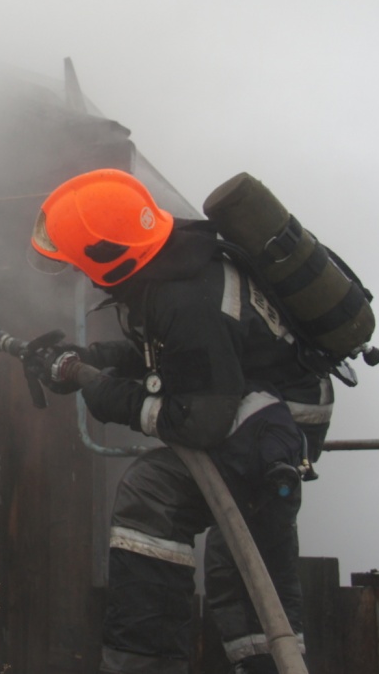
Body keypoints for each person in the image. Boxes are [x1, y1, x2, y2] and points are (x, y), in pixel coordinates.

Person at [25, 169, 335, 674]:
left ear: (111, 256)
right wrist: (93, 356)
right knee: (237, 556)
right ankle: (263, 664)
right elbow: (175, 352)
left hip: (273, 421)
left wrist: (106, 394)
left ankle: (144, 664)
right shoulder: (173, 264)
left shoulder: (186, 297)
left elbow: (200, 424)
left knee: (153, 495)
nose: (80, 273)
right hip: (256, 402)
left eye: (82, 262)